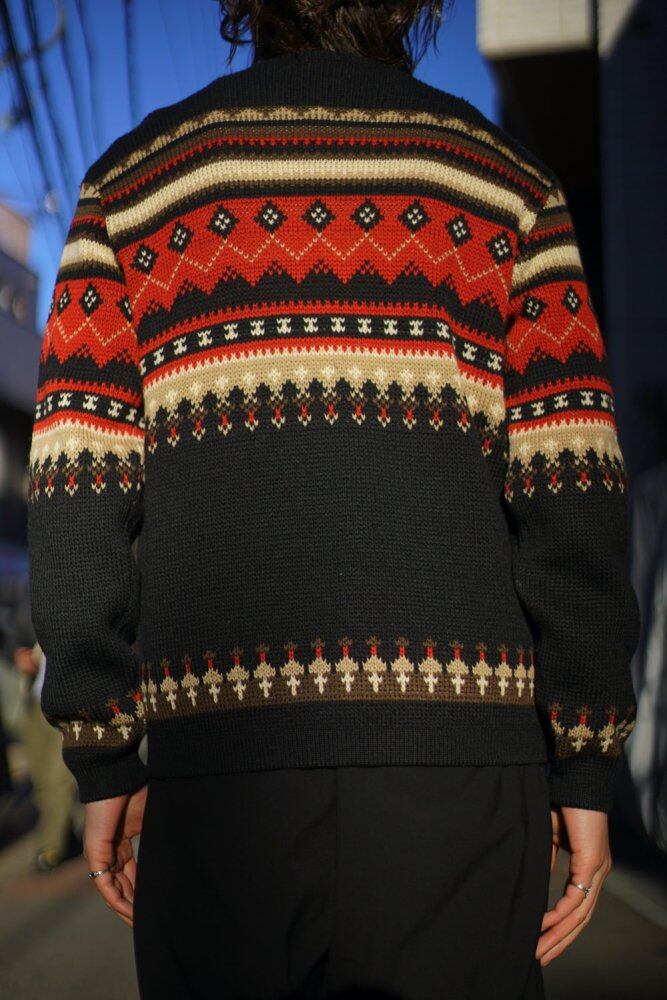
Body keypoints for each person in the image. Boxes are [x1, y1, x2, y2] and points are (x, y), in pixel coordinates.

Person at [25, 2, 642, 997]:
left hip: (219, 779)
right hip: (463, 781)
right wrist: (585, 755)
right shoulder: (508, 186)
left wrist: (101, 745)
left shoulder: (131, 190)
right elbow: (573, 493)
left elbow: (76, 492)